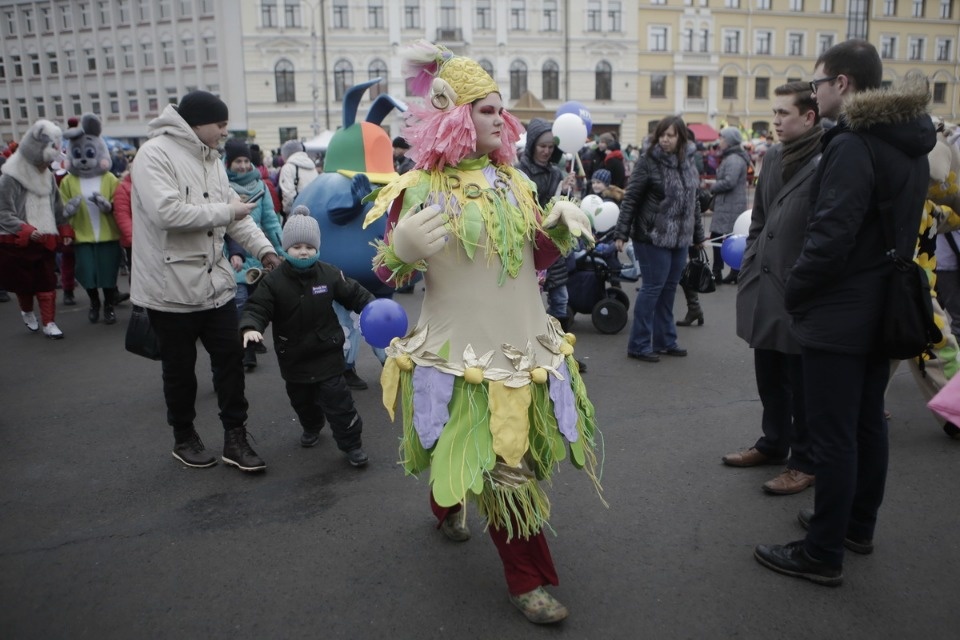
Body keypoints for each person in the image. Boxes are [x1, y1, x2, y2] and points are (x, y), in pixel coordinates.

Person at [362, 41, 601, 625]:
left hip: (524, 345)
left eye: (501, 109)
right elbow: (387, 274)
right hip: (461, 354)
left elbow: (532, 260)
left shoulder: (515, 182)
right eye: (487, 109)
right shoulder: (419, 187)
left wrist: (557, 231)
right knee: (503, 468)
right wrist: (400, 250)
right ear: (455, 116)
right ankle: (527, 580)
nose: (502, 119)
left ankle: (445, 506)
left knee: (488, 454)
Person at [754, 40, 936, 586]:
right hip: (883, 305)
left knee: (833, 432)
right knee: (865, 423)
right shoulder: (909, 138)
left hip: (840, 310)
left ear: (843, 83)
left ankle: (822, 551)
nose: (814, 94)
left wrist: (797, 290)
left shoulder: (854, 142)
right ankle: (854, 526)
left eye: (817, 84)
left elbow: (831, 234)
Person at [130, 90, 282, 472]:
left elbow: (237, 218)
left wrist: (266, 251)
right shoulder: (154, 154)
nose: (225, 133)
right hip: (170, 290)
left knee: (230, 363)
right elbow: (167, 213)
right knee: (180, 372)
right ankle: (184, 437)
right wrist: (227, 211)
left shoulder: (213, 159)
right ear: (197, 123)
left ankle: (236, 437)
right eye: (221, 125)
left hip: (217, 286)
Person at [725, 81, 823, 495]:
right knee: (769, 373)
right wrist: (750, 262)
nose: (776, 121)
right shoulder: (775, 156)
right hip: (765, 283)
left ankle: (804, 462)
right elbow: (760, 218)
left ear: (809, 117)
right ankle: (773, 443)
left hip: (801, 288)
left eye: (784, 113)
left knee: (802, 384)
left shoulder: (826, 158)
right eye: (775, 113)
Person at [240, 208, 373, 466]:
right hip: (294, 357)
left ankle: (352, 445)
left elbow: (353, 293)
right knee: (303, 402)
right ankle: (311, 425)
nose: (304, 252)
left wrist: (372, 306)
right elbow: (257, 307)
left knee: (340, 404)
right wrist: (250, 326)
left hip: (327, 354)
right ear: (286, 248)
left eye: (310, 247)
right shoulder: (273, 281)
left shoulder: (329, 274)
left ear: (317, 248)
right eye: (297, 246)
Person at [614, 116, 706, 362]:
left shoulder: (688, 162)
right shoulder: (648, 162)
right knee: (652, 288)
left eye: (671, 135)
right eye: (662, 135)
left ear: (681, 138)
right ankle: (639, 344)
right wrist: (621, 233)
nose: (665, 140)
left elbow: (694, 202)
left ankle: (665, 340)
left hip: (680, 238)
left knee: (669, 289)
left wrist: (698, 235)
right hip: (651, 236)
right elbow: (631, 198)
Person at [0, 119, 73, 339]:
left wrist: (64, 229)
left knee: (47, 283)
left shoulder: (48, 177)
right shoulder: (10, 177)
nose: (47, 165)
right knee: (24, 286)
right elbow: (3, 212)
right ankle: (27, 311)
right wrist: (25, 229)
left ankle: (49, 323)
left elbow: (57, 206)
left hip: (45, 240)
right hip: (18, 243)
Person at [222, 138, 284, 371]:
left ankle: (253, 337)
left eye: (246, 161)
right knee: (239, 304)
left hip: (258, 256)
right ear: (228, 163)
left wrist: (281, 251)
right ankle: (246, 351)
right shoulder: (222, 187)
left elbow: (271, 221)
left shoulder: (261, 187)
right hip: (232, 258)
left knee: (257, 304)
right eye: (237, 161)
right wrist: (230, 253)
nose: (243, 166)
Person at [59, 114, 123, 325]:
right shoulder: (68, 181)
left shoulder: (110, 178)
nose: (84, 159)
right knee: (87, 272)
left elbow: (118, 204)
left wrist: (107, 206)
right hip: (82, 235)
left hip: (108, 235)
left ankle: (109, 306)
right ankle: (94, 303)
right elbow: (62, 207)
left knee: (108, 273)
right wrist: (69, 209)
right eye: (78, 154)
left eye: (89, 153)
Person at [517, 118, 578, 337]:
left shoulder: (556, 173)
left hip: (552, 243)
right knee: (528, 301)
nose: (546, 151)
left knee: (561, 299)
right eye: (542, 146)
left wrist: (566, 190)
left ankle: (559, 345)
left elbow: (561, 207)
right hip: (529, 243)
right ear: (532, 144)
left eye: (551, 147)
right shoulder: (519, 172)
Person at [709, 127, 752, 284]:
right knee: (726, 238)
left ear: (730, 141)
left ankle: (720, 271)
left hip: (729, 205)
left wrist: (713, 186)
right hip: (729, 205)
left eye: (722, 138)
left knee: (720, 237)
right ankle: (732, 271)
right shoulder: (733, 157)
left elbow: (729, 181)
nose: (720, 141)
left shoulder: (733, 159)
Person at [278, 139, 319, 222]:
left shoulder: (287, 167)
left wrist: (287, 212)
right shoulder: (312, 167)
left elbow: (288, 195)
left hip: (297, 215)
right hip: (314, 213)